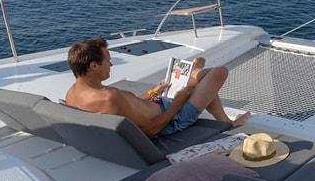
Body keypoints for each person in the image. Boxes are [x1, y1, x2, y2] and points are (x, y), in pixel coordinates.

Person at [64, 37, 249, 138]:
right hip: (173, 119)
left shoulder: (72, 94)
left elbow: (129, 107)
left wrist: (153, 91)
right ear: (93, 66)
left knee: (196, 77)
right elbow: (152, 130)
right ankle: (224, 120)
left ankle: (195, 70)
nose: (111, 65)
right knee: (219, 72)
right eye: (107, 61)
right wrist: (177, 103)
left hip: (159, 103)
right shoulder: (109, 97)